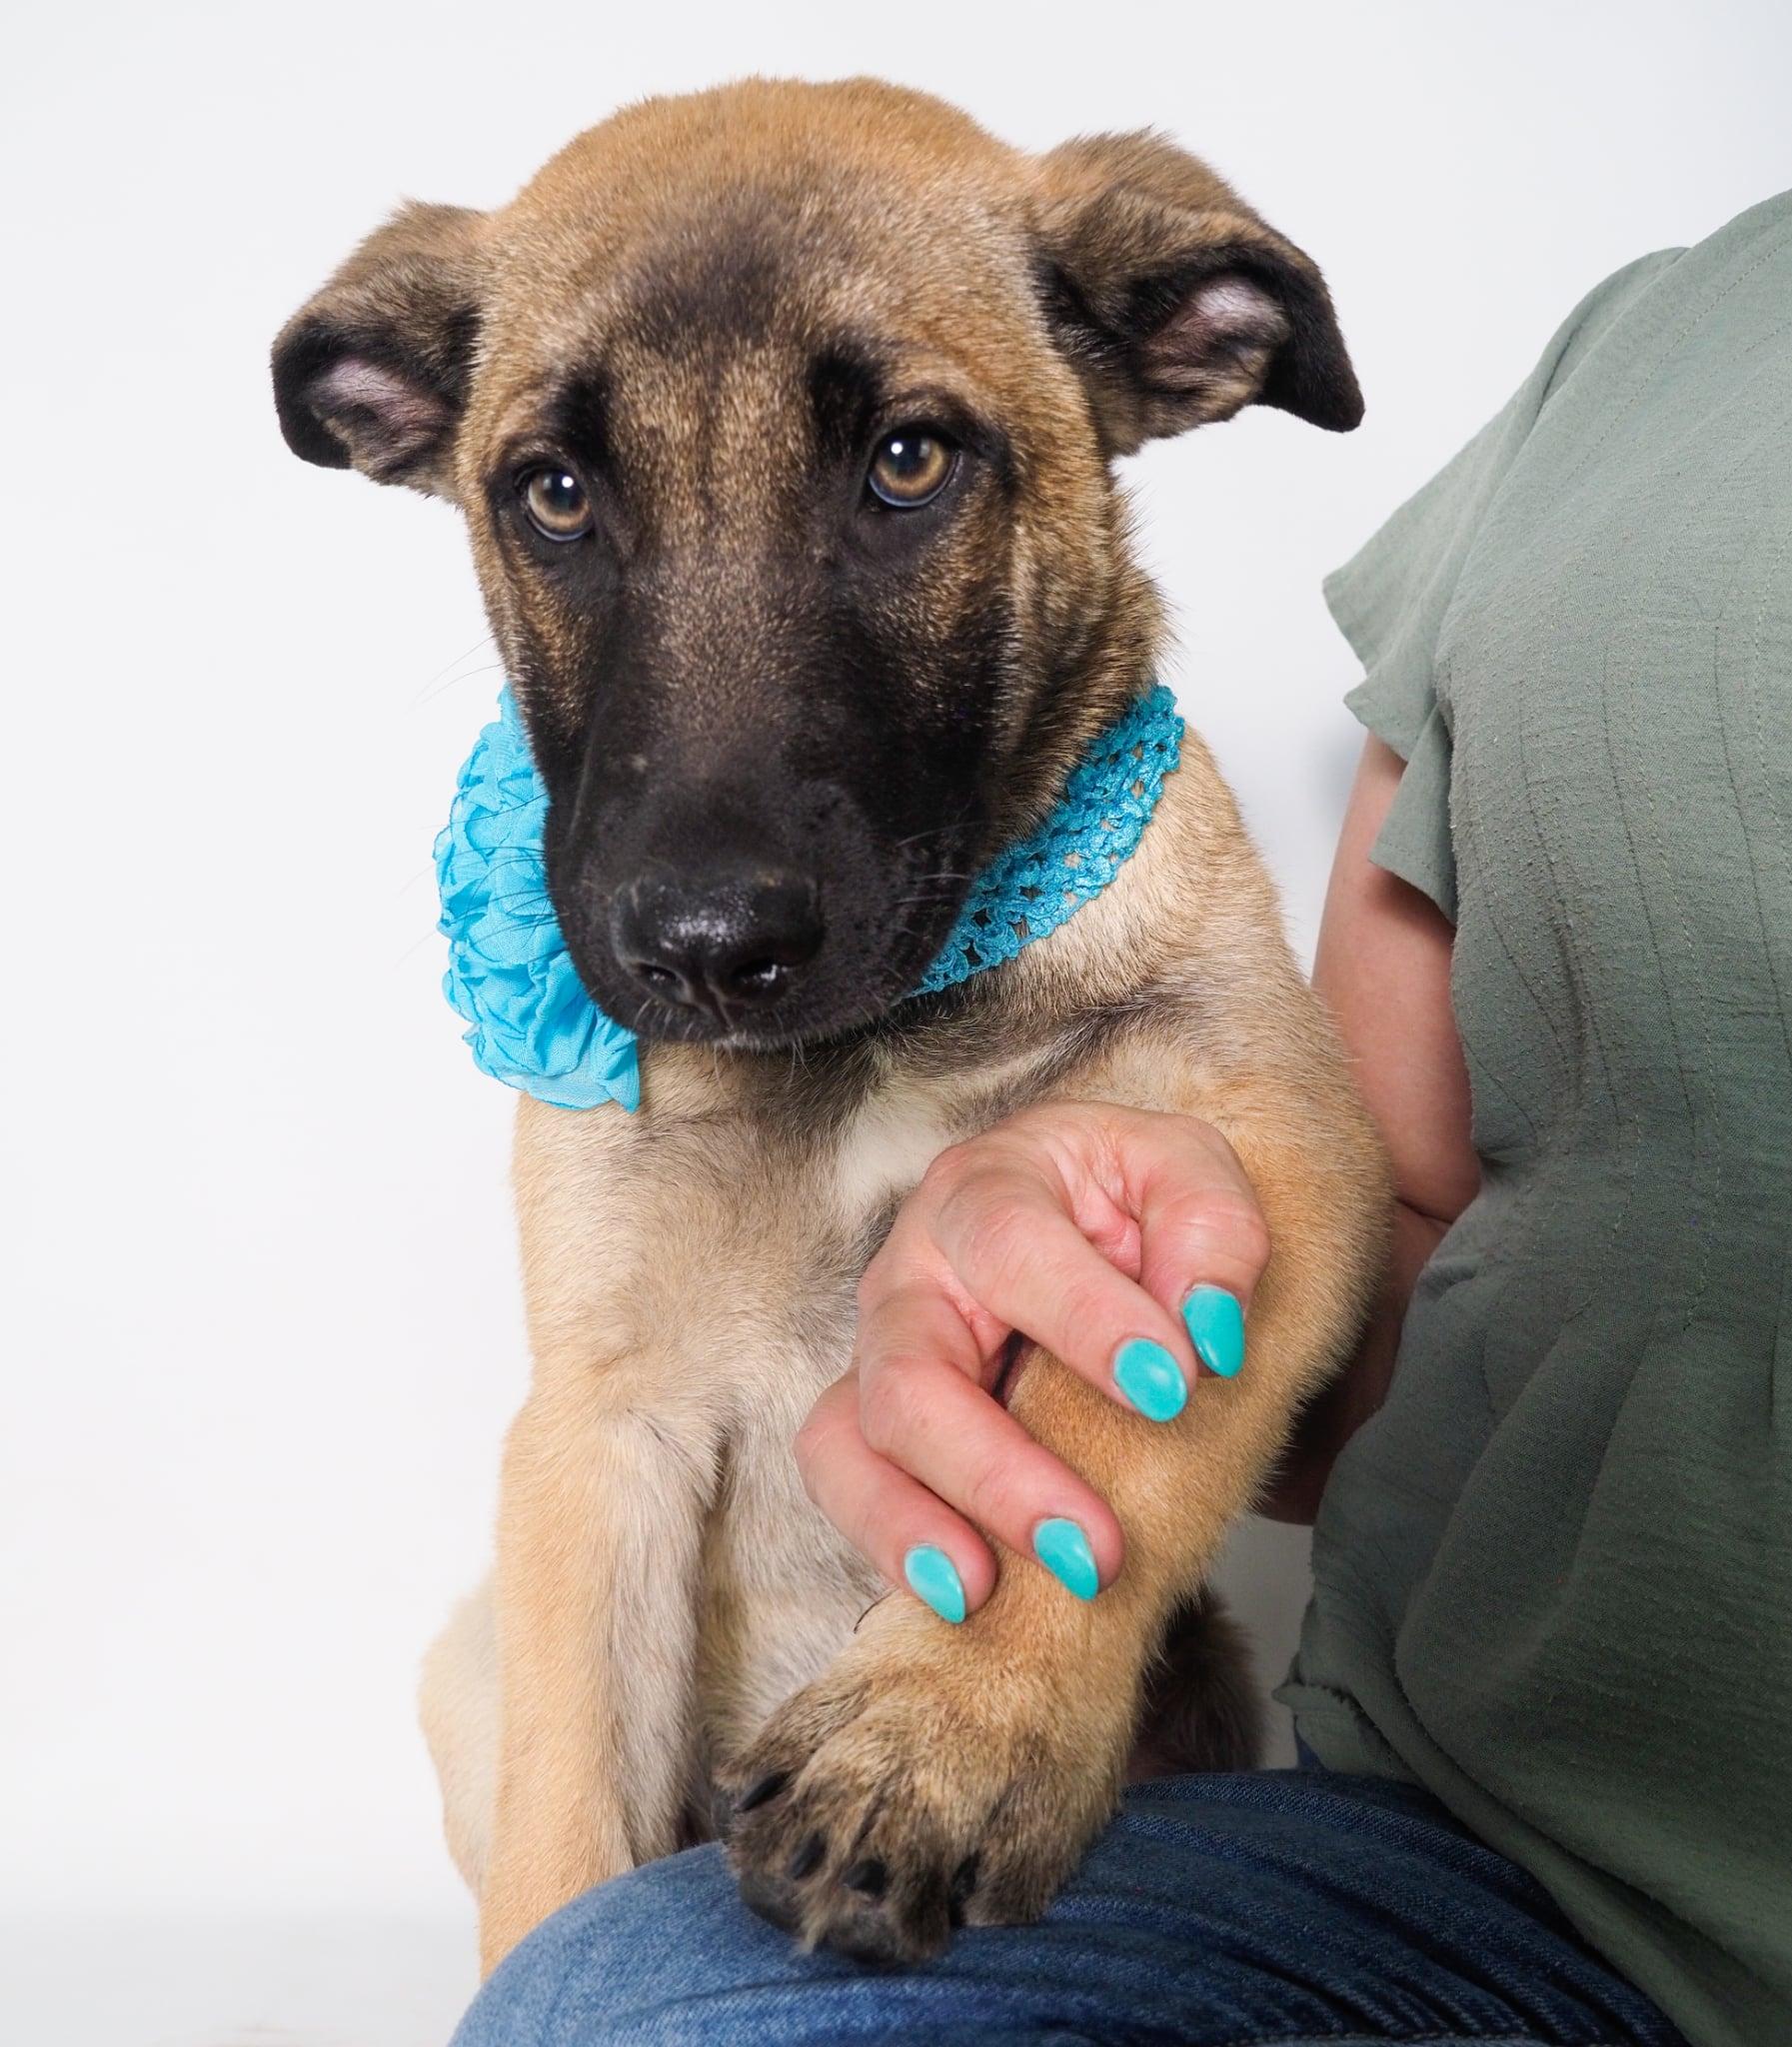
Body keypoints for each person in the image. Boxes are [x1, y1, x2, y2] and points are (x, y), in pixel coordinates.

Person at [454, 192, 1792, 2047]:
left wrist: (1034, 1638)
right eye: (560, 494)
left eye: (906, 455)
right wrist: (1176, 1210)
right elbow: (1385, 1258)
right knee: (612, 2003)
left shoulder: (1138, 873)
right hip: (1496, 1876)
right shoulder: (1622, 361)